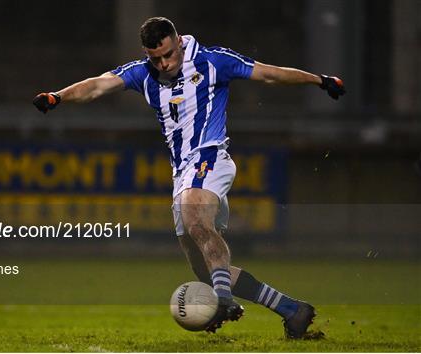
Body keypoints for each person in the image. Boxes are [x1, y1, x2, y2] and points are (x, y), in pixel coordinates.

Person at [33, 17, 345, 338]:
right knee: (205, 269)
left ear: (178, 40)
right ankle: (292, 310)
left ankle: (223, 301)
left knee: (196, 216)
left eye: (168, 54)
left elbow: (269, 74)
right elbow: (97, 85)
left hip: (210, 156)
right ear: (147, 53)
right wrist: (58, 96)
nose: (164, 63)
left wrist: (319, 81)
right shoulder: (143, 74)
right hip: (182, 172)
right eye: (156, 58)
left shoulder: (214, 61)